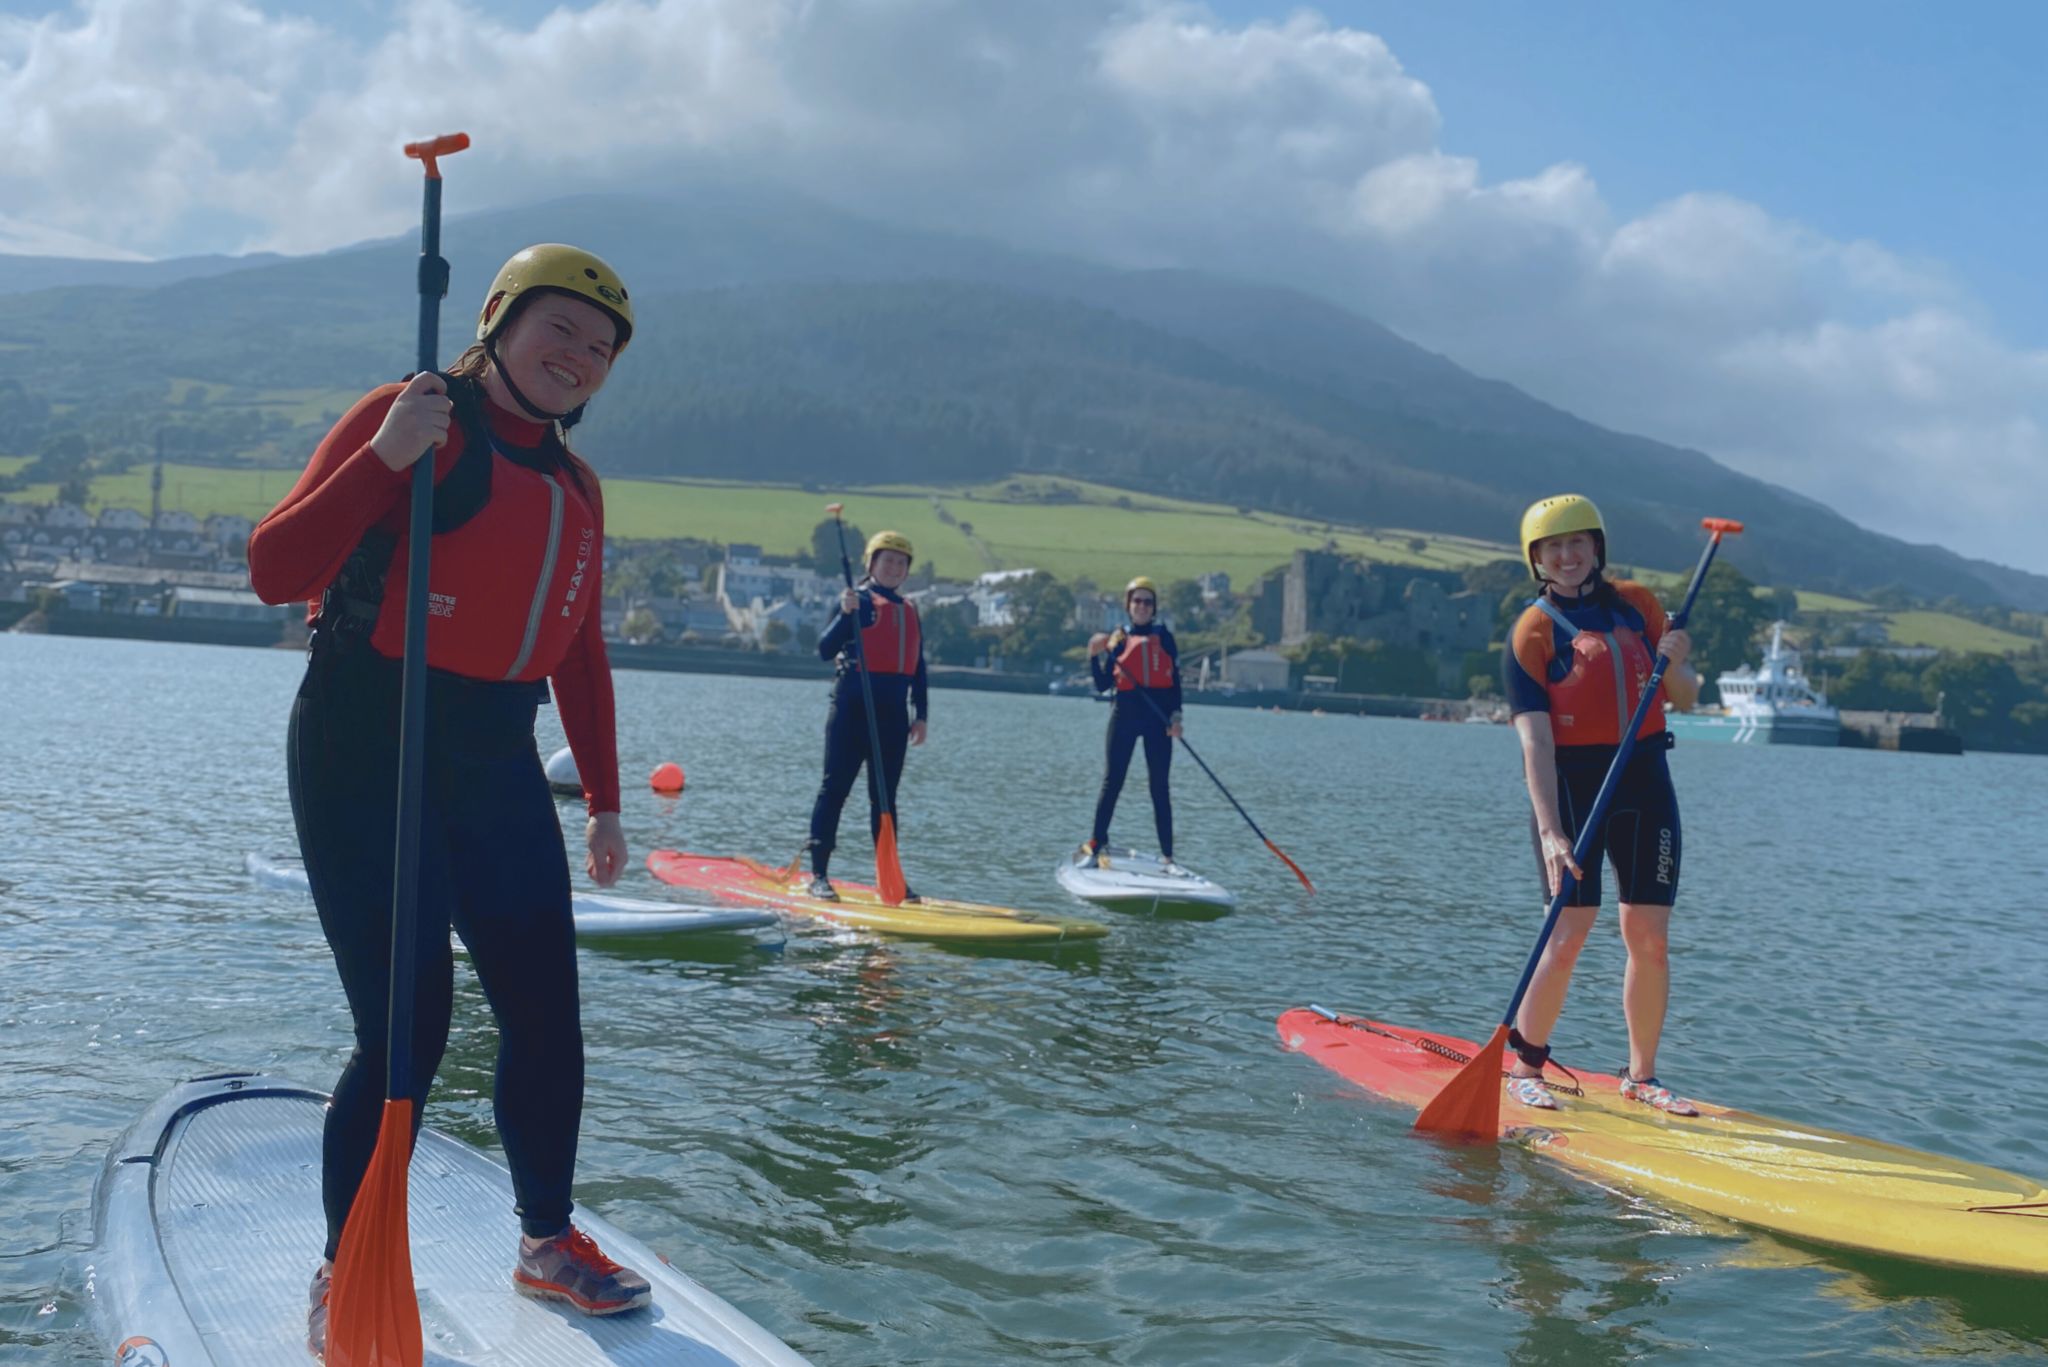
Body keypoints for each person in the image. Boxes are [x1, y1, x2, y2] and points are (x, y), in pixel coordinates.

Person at [249, 245, 651, 1356]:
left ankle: (546, 1241)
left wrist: (606, 799)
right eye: (559, 329)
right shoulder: (412, 414)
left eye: (600, 347)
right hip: (365, 737)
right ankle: (349, 1265)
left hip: (493, 755)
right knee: (405, 1026)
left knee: (546, 1015)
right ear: (498, 320)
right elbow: (276, 569)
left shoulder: (576, 486)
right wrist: (384, 458)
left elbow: (578, 646)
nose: (578, 357)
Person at [1500, 494, 1703, 1115]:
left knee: (1650, 938)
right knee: (1568, 933)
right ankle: (1526, 1066)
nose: (1567, 556)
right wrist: (1550, 832)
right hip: (1574, 788)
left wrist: (1679, 661)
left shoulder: (1637, 606)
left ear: (1597, 549)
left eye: (1577, 543)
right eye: (1553, 547)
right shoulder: (1530, 633)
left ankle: (1642, 1078)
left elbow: (1687, 698)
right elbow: (1534, 740)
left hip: (1645, 781)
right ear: (1536, 559)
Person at [805, 530, 929, 900]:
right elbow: (825, 650)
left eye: (901, 562)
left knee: (885, 799)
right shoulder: (855, 601)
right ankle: (819, 876)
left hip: (893, 716)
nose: (894, 567)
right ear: (871, 563)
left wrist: (921, 714)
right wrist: (844, 615)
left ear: (907, 570)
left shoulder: (909, 610)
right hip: (851, 710)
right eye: (886, 560)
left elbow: (918, 665)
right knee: (835, 790)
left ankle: (889, 878)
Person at [1081, 576, 1186, 873]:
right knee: (1112, 783)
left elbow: (1175, 684)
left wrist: (1176, 720)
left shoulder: (1165, 638)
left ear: (1154, 608)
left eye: (1147, 601)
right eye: (1136, 601)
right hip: (1124, 718)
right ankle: (1096, 845)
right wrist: (1093, 656)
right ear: (1128, 605)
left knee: (1159, 788)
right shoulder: (1117, 640)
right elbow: (1103, 685)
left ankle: (1168, 859)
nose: (1142, 606)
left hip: (1158, 723)